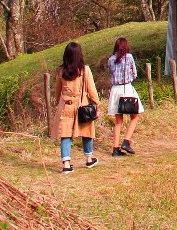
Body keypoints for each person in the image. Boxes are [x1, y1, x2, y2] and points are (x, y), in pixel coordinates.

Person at [52, 42, 101, 173]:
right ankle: (89, 159)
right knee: (87, 132)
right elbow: (92, 90)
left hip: (66, 106)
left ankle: (66, 164)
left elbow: (57, 92)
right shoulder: (85, 70)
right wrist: (97, 104)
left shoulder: (61, 71)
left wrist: (58, 103)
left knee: (65, 135)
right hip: (82, 105)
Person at [106, 37, 144, 157]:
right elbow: (135, 74)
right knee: (134, 115)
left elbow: (111, 72)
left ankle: (115, 149)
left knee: (118, 121)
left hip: (115, 89)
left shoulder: (111, 59)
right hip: (127, 88)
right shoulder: (129, 57)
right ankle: (126, 141)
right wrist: (129, 79)